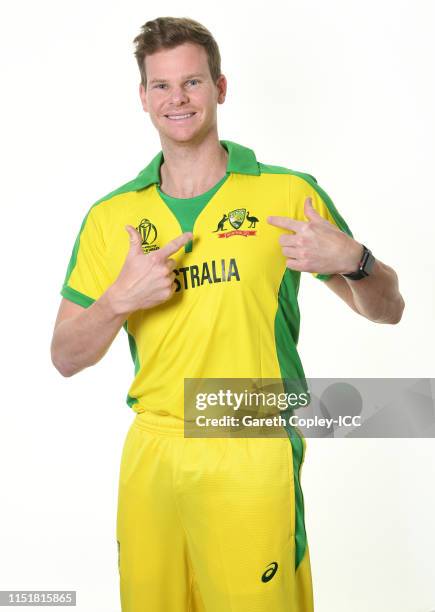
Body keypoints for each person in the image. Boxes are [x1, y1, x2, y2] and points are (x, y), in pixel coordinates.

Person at [50, 16, 405, 612]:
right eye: (161, 86)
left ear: (220, 87)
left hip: (249, 435)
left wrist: (354, 259)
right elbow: (64, 356)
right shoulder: (111, 217)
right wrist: (118, 301)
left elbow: (388, 310)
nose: (178, 99)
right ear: (142, 97)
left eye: (192, 82)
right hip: (153, 447)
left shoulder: (287, 193)